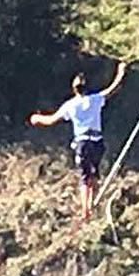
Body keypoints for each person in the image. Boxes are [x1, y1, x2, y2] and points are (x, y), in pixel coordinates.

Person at [28, 62, 127, 220]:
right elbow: (113, 88)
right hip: (97, 142)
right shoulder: (95, 99)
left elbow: (51, 119)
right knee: (93, 173)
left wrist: (37, 118)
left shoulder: (71, 105)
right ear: (87, 87)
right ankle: (91, 203)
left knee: (84, 176)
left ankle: (85, 209)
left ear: (74, 90)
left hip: (82, 143)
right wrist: (121, 71)